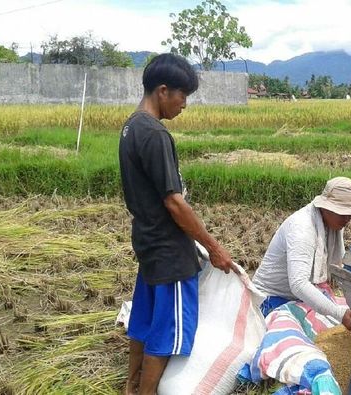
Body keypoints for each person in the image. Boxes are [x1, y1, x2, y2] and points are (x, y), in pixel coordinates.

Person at [119, 53, 236, 395]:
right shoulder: (155, 135)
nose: (184, 104)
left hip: (147, 242)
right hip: (170, 253)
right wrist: (214, 248)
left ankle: (131, 386)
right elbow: (174, 202)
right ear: (163, 91)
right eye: (183, 96)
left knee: (143, 319)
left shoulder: (131, 127)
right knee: (166, 333)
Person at [252, 177, 351, 333]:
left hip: (299, 297)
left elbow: (339, 266)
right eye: (343, 213)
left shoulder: (335, 224)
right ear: (326, 207)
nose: (348, 218)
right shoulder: (302, 229)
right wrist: (339, 314)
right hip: (272, 298)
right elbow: (299, 284)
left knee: (330, 316)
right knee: (295, 335)